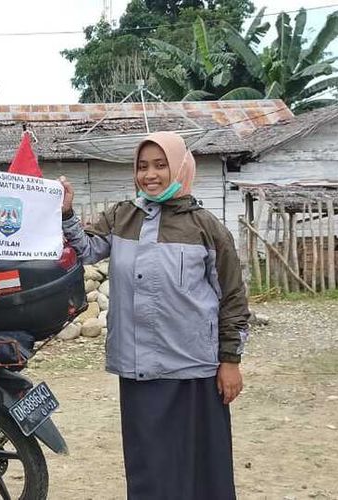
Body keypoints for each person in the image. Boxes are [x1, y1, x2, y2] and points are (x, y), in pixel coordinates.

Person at [60, 131, 249, 500]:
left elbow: (233, 298)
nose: (150, 175)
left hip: (195, 370)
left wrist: (230, 361)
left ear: (179, 167)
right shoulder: (122, 216)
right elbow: (86, 250)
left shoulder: (207, 228)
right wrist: (67, 213)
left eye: (161, 165)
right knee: (150, 472)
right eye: (143, 166)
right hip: (140, 368)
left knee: (200, 468)